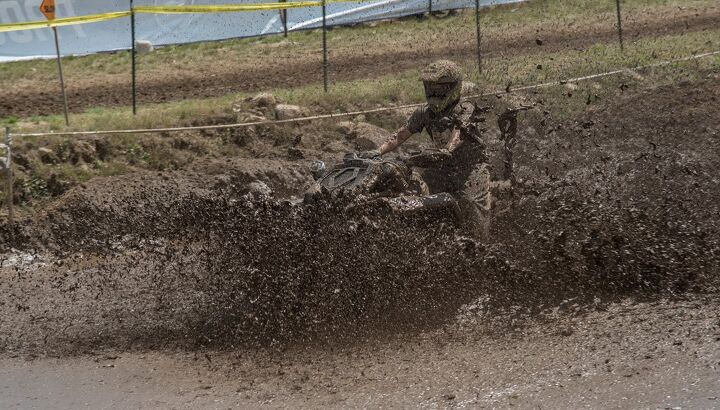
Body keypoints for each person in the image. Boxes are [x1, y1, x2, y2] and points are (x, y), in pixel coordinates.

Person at [359, 60, 495, 236]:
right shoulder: (424, 112)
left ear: (453, 87)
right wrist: (378, 151)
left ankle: (480, 241)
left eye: (439, 89)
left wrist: (447, 149)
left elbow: (460, 132)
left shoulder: (464, 107)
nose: (434, 93)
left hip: (471, 168)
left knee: (471, 201)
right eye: (430, 88)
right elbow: (401, 134)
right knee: (414, 189)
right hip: (443, 166)